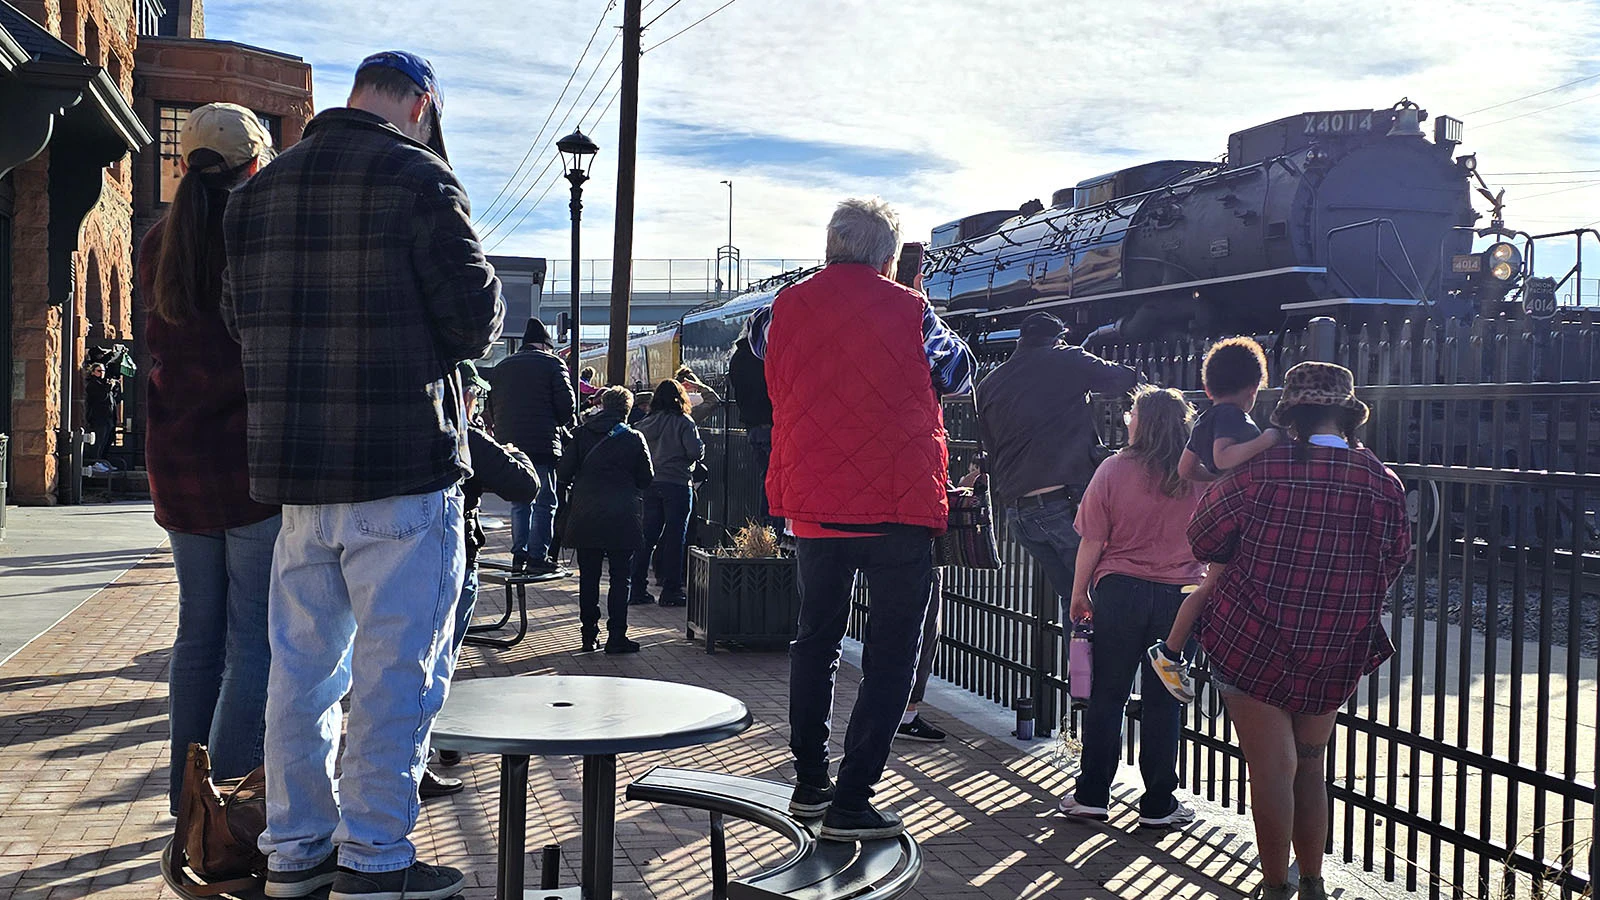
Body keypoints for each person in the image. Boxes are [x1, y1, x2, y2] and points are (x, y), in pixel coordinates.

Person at [219, 50, 503, 900]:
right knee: (396, 673)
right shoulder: (420, 179)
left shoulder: (257, 191)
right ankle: (376, 859)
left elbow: (242, 322)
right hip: (401, 472)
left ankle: (295, 853)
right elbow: (476, 320)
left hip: (298, 479)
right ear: (421, 103)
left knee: (299, 676)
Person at [748, 197, 975, 841]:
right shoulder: (913, 311)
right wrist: (910, 298)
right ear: (887, 255)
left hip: (815, 510)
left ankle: (809, 782)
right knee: (890, 654)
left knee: (815, 641)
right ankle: (853, 799)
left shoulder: (779, 310)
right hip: (899, 511)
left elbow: (760, 347)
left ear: (829, 247)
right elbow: (959, 373)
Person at [1187, 362, 1410, 900]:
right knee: (1311, 764)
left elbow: (1203, 535)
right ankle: (1313, 881)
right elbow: (1396, 556)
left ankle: (1275, 885)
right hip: (1335, 640)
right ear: (1349, 416)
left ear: (1290, 414)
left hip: (1253, 637)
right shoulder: (1380, 479)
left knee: (1271, 769)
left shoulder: (1262, 469)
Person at [139, 102, 280, 816]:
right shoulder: (260, 237)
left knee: (197, 634)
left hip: (178, 466)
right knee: (252, 638)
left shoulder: (158, 242)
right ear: (255, 164)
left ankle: (181, 801)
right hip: (250, 468)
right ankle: (219, 808)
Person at [1056, 386, 1202, 829]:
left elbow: (1093, 540)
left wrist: (1080, 592)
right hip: (1181, 599)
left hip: (1119, 591)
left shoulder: (1114, 469)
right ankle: (1159, 802)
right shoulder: (1200, 474)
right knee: (1165, 701)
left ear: (1141, 421)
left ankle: (1093, 794)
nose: (1126, 419)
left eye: (1131, 413)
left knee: (1108, 694)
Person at [974, 312, 1138, 624]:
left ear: (1020, 340)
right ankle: (1099, 674)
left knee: (1074, 600)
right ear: (1058, 338)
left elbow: (989, 447)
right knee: (1100, 599)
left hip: (1018, 514)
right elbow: (1122, 378)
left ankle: (1077, 673)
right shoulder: (1065, 358)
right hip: (1059, 504)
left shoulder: (988, 384)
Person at [1147, 337, 1280, 702]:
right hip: (1236, 517)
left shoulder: (1207, 417)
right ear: (1255, 388)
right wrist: (1266, 440)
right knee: (1209, 587)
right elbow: (1223, 457)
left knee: (1209, 585)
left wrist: (1218, 480)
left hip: (1215, 512)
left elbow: (1187, 468)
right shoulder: (1233, 416)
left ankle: (1173, 652)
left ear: (1207, 386)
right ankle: (1171, 652)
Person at [435, 362, 540, 772]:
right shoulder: (467, 437)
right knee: (439, 658)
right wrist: (516, 454)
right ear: (464, 396)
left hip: (399, 557)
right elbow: (524, 485)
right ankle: (436, 741)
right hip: (455, 559)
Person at [558, 386, 653, 653]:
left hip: (586, 514)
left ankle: (588, 635)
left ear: (602, 405)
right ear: (626, 410)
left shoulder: (582, 434)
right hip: (622, 516)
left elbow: (564, 470)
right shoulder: (634, 438)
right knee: (620, 578)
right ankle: (616, 637)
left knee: (588, 577)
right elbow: (646, 478)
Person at [485, 318, 576, 575]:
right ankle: (538, 556)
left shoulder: (502, 367)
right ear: (545, 345)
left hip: (510, 444)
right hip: (542, 443)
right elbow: (567, 406)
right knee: (546, 500)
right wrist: (558, 425)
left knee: (520, 499)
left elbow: (491, 406)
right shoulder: (553, 363)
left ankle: (518, 554)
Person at [630, 380, 704, 607]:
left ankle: (637, 588)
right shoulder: (684, 422)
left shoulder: (644, 424)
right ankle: (671, 590)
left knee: (647, 537)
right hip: (678, 483)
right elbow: (694, 452)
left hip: (650, 485)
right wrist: (701, 448)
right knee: (675, 537)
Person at [83, 361, 122, 472]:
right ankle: (95, 462)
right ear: (93, 372)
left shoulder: (104, 383)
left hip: (108, 417)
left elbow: (112, 398)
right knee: (98, 442)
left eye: (103, 371)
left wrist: (114, 387)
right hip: (99, 418)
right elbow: (101, 397)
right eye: (99, 371)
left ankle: (102, 461)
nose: (102, 373)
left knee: (106, 441)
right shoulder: (93, 384)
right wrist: (109, 387)